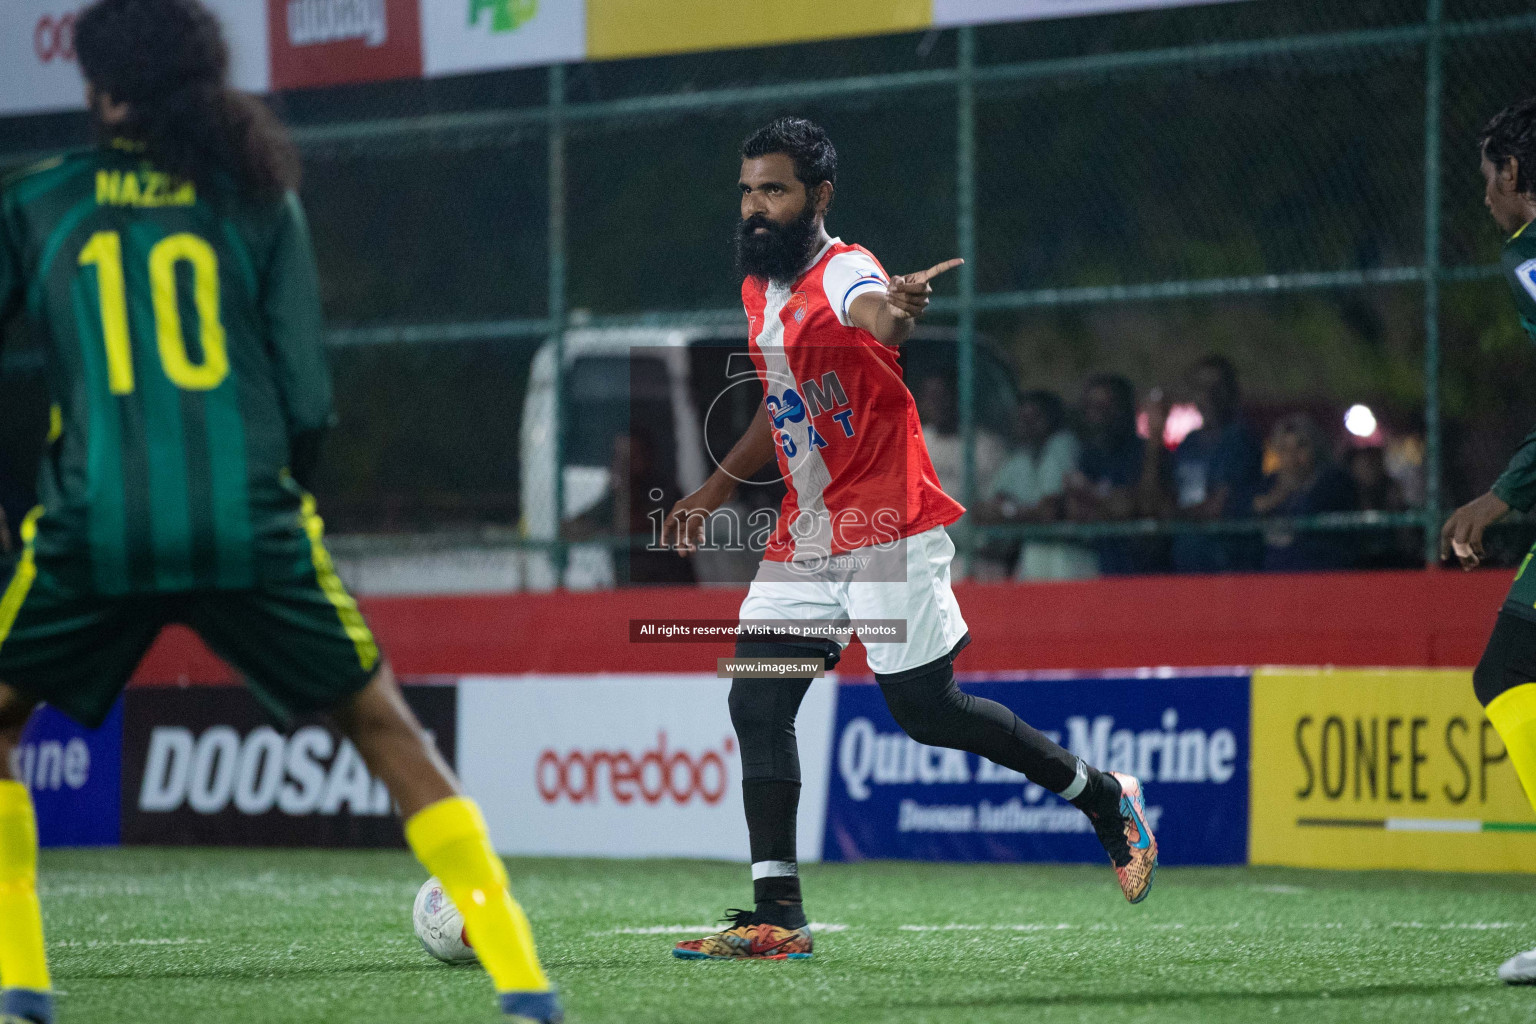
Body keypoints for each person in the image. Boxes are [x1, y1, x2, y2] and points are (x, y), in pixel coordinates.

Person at [0, 4, 561, 1021]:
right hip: (251, 519)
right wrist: (276, 505)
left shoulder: (37, 201)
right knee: (385, 725)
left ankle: (20, 983)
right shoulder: (258, 196)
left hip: (94, 526)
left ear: (103, 87)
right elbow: (306, 396)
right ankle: (526, 986)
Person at [660, 117, 1157, 962]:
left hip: (885, 517)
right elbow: (782, 405)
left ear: (817, 197)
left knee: (925, 713)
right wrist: (714, 486)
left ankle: (1103, 796)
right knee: (757, 697)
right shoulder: (760, 290)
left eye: (773, 190)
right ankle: (778, 915)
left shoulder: (845, 269)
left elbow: (878, 314)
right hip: (810, 529)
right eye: (746, 190)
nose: (754, 207)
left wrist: (897, 306)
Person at [1437, 95, 1536, 987]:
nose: (1483, 196)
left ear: (1512, 175)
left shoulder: (1534, 257)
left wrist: (1500, 497)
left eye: (1486, 178)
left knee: (1510, 672)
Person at [1141, 355, 1264, 573]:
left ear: (1233, 393)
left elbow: (1219, 506)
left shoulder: (1240, 439)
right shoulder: (1189, 442)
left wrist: (1172, 516)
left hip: (1229, 566)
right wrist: (1155, 437)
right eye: (1201, 388)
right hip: (1186, 564)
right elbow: (1155, 499)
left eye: (1217, 388)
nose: (1209, 396)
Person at [979, 390, 1097, 581]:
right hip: (1034, 556)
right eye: (1023, 419)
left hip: (1069, 555)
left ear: (1053, 420)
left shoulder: (1063, 445)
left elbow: (1049, 512)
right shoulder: (1020, 459)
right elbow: (984, 513)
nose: (1028, 425)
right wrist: (1019, 511)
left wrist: (1010, 511)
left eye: (1035, 418)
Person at [1063, 373, 1161, 575]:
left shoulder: (1145, 453)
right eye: (1092, 407)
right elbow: (1075, 512)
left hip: (1147, 571)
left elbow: (1137, 506)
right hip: (1102, 570)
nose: (1098, 415)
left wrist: (1091, 494)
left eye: (1107, 407)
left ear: (1127, 409)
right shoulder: (1089, 456)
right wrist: (1111, 505)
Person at [1252, 413, 1357, 572]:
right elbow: (1245, 511)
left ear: (1315, 447)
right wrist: (1273, 498)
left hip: (1322, 574)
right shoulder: (1267, 484)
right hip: (1273, 576)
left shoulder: (1334, 481)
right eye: (1285, 448)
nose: (1293, 456)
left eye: (1301, 446)